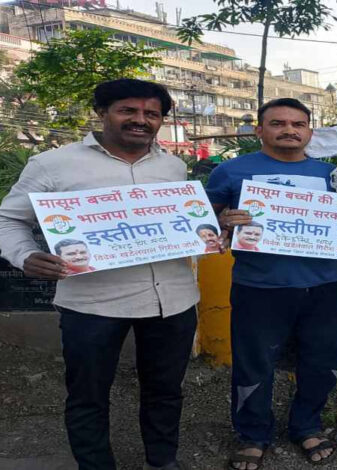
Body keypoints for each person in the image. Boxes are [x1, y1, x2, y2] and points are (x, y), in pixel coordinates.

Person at [0, 79, 198, 470]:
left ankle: (162, 461)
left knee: (165, 391)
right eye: (128, 110)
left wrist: (206, 234)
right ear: (102, 112)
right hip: (93, 304)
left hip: (173, 300)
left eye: (151, 114)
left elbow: (181, 221)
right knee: (88, 395)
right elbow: (9, 219)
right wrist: (25, 256)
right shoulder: (53, 164)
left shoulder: (173, 166)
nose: (141, 120)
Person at [206, 98, 337, 468]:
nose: (289, 130)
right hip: (259, 286)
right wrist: (222, 221)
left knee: (322, 360)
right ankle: (253, 434)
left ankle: (307, 425)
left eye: (298, 124)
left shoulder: (334, 174)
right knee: (254, 363)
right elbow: (201, 222)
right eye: (278, 123)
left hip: (326, 285)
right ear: (259, 130)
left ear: (309, 131)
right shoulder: (230, 171)